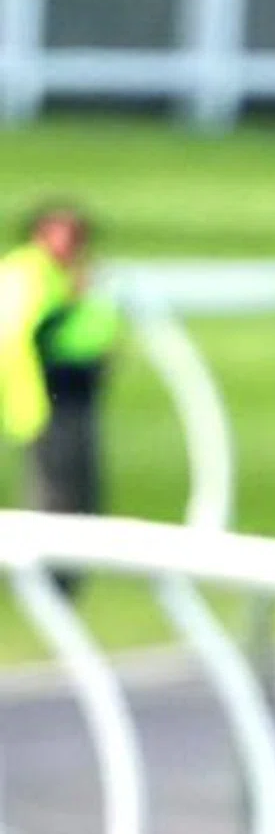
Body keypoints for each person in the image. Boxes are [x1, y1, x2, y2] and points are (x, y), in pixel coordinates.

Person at [0, 203, 119, 595]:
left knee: (81, 493)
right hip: (45, 397)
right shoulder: (29, 273)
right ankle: (51, 585)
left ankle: (65, 583)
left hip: (76, 392)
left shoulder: (69, 273)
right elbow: (28, 335)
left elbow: (97, 329)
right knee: (57, 495)